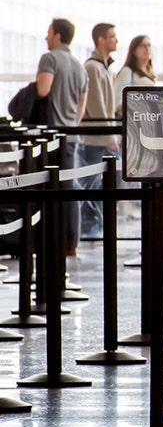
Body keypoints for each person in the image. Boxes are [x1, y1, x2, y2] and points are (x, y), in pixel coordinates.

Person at [36, 18, 88, 256]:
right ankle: (70, 242)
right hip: (72, 135)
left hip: (53, 136)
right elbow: (81, 107)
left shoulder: (50, 59)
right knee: (71, 188)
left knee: (51, 189)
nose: (46, 37)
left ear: (58, 35)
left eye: (48, 32)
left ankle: (52, 241)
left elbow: (42, 90)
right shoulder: (79, 65)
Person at [79, 23, 120, 239]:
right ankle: (91, 230)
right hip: (96, 138)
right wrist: (110, 134)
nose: (116, 40)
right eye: (112, 36)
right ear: (101, 39)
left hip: (104, 136)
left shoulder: (104, 67)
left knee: (103, 183)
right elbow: (96, 106)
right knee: (93, 183)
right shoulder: (93, 67)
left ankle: (99, 228)